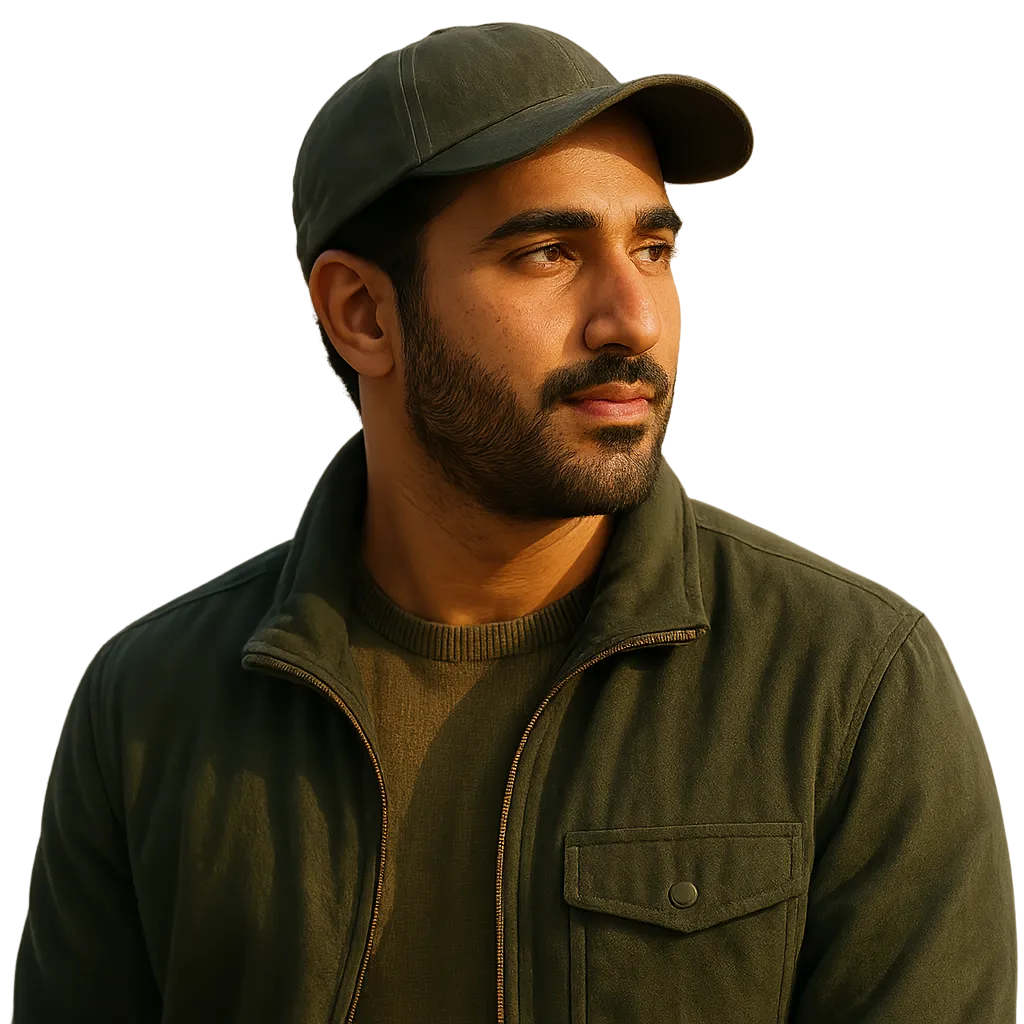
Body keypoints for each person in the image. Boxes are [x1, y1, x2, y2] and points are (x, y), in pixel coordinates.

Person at [12, 21, 1016, 1024]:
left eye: (653, 248)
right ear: (362, 313)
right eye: (548, 253)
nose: (635, 318)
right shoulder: (151, 703)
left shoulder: (846, 683)